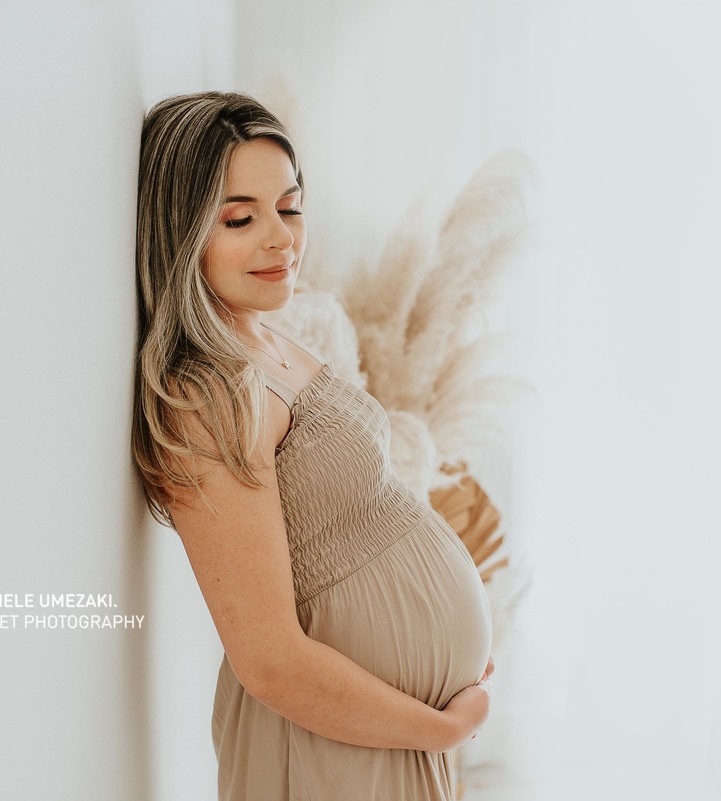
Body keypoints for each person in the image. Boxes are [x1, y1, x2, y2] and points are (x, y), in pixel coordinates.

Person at [132, 90, 495, 801]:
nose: (281, 238)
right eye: (241, 217)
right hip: (333, 746)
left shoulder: (266, 340)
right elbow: (268, 661)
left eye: (290, 207)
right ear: (180, 231)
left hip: (378, 738)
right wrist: (440, 729)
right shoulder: (207, 397)